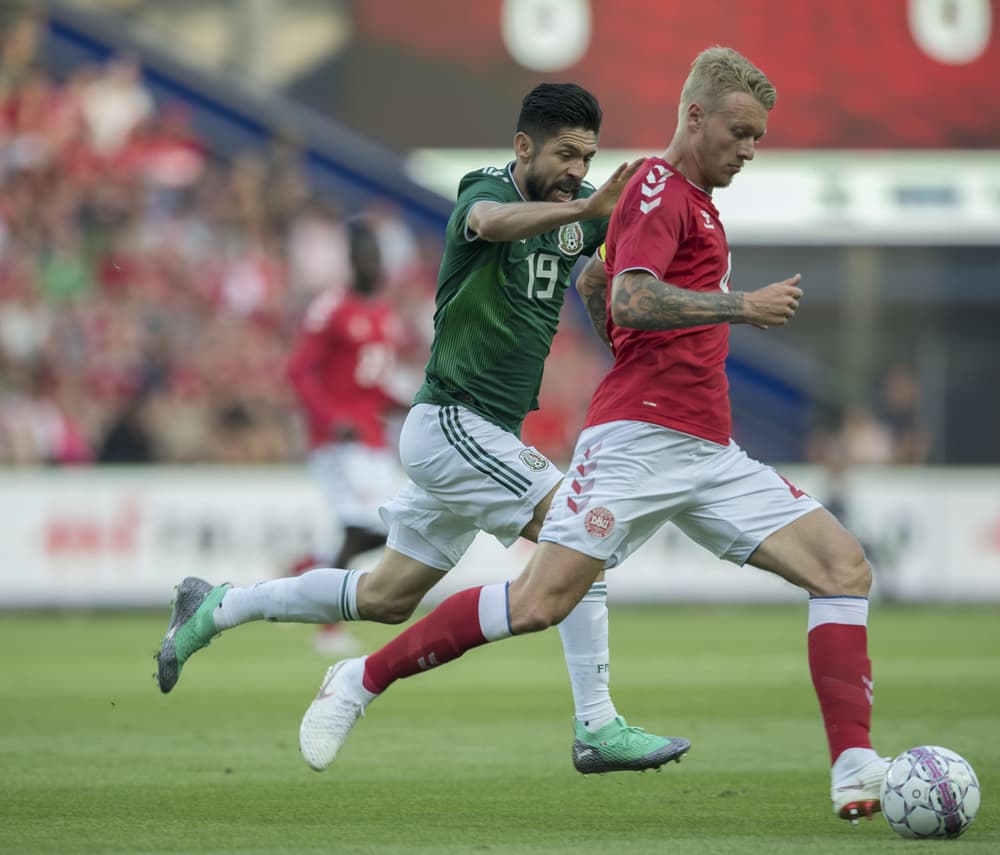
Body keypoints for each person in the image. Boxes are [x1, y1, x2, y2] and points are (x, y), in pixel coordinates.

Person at [298, 48, 890, 826]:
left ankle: (855, 768)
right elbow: (637, 297)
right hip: (637, 443)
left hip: (708, 449)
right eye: (740, 132)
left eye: (758, 139)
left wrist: (622, 322)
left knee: (843, 567)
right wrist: (738, 307)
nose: (749, 150)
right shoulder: (654, 185)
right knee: (539, 600)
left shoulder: (696, 206)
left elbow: (599, 282)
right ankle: (359, 680)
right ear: (695, 116)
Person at [156, 83, 690, 775]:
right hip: (453, 423)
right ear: (523, 145)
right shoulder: (484, 190)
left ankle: (217, 606)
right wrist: (588, 208)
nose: (576, 170)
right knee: (579, 531)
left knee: (385, 596)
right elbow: (493, 223)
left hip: (475, 434)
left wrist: (667, 169)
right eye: (564, 153)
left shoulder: (573, 210)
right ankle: (597, 724)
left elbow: (623, 228)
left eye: (587, 157)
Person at [283, 216, 410, 655]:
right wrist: (330, 416)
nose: (372, 263)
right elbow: (299, 371)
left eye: (377, 256)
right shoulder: (330, 307)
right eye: (365, 255)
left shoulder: (384, 315)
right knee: (360, 526)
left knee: (395, 530)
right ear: (352, 260)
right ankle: (328, 627)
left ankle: (306, 569)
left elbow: (374, 385)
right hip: (338, 441)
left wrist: (408, 408)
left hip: (373, 439)